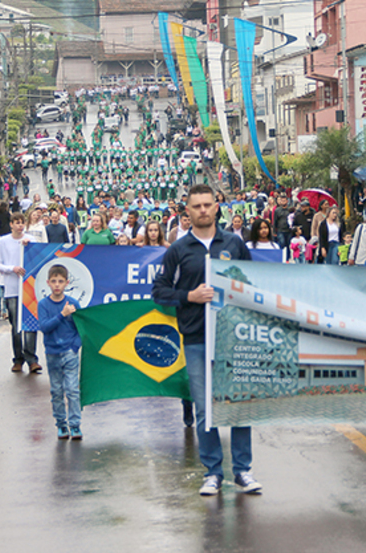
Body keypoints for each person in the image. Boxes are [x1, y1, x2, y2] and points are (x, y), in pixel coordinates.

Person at [152, 184, 261, 497]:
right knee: (204, 408)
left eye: (207, 205)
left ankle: (242, 471)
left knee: (240, 403)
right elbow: (159, 291)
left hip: (233, 336)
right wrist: (189, 296)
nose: (202, 210)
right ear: (187, 211)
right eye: (196, 206)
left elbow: (254, 283)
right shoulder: (178, 250)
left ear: (217, 207)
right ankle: (213, 471)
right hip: (197, 338)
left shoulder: (234, 244)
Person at [37, 264, 83, 440]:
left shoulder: (73, 304)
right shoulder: (44, 304)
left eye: (61, 281)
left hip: (69, 352)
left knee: (72, 389)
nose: (57, 285)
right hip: (52, 353)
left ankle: (75, 424)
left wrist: (74, 346)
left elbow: (80, 328)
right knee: (56, 390)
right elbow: (45, 327)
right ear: (48, 283)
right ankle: (61, 424)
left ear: (67, 283)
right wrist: (62, 315)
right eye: (54, 281)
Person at [0, 213, 42, 374]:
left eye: (22, 223)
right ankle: (18, 359)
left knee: (30, 325)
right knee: (16, 327)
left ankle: (32, 359)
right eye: (17, 223)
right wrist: (12, 269)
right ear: (11, 224)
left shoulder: (30, 240)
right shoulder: (3, 241)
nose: (20, 225)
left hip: (28, 289)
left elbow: (38, 259)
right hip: (11, 289)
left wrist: (30, 247)